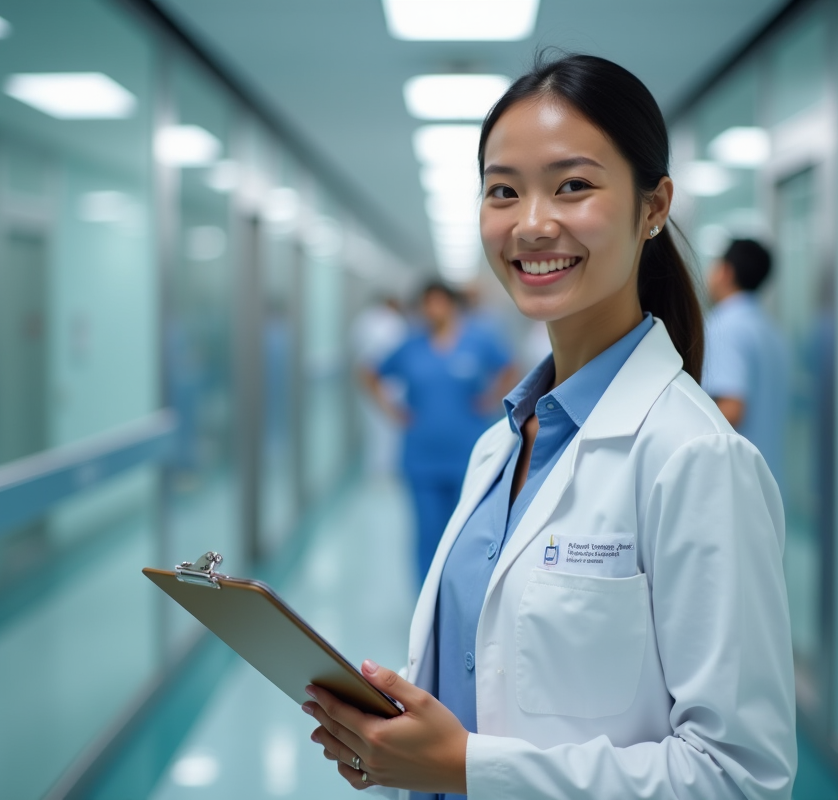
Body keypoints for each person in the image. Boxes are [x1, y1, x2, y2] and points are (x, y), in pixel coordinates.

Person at [306, 54, 796, 800]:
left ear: (654, 206)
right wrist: (396, 736)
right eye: (503, 191)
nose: (531, 224)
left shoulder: (696, 459)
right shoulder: (503, 442)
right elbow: (503, 672)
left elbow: (740, 778)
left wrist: (467, 767)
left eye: (573, 185)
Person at [363, 282, 515, 587]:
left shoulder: (478, 341)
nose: (433, 310)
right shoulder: (411, 346)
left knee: (470, 534)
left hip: (469, 456)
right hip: (422, 458)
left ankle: (464, 597)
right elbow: (369, 373)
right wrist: (391, 411)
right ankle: (427, 601)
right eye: (427, 304)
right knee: (428, 534)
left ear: (452, 305)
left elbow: (510, 368)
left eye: (439, 303)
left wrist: (490, 401)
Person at [702, 239, 791, 484]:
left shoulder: (725, 325)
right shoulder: (770, 329)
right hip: (769, 477)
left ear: (725, 272)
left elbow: (733, 407)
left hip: (737, 481)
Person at [351, 295, 408, 475]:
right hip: (389, 382)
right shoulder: (395, 322)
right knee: (389, 426)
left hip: (368, 380)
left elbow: (354, 349)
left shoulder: (363, 321)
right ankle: (386, 468)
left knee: (374, 426)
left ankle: (376, 469)